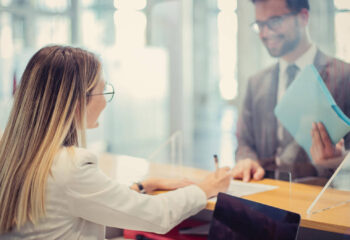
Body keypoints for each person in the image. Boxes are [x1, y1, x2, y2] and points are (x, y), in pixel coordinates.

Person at [0, 46, 232, 239]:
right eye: (104, 92)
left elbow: (72, 203)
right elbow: (157, 215)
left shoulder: (11, 152)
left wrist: (140, 187)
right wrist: (207, 187)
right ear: (78, 102)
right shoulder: (71, 167)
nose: (105, 103)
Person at [233, 0, 350, 182]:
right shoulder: (255, 84)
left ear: (303, 17)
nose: (264, 33)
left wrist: (340, 160)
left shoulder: (345, 76)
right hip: (265, 195)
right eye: (260, 24)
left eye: (274, 21)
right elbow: (244, 144)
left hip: (322, 198)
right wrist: (247, 161)